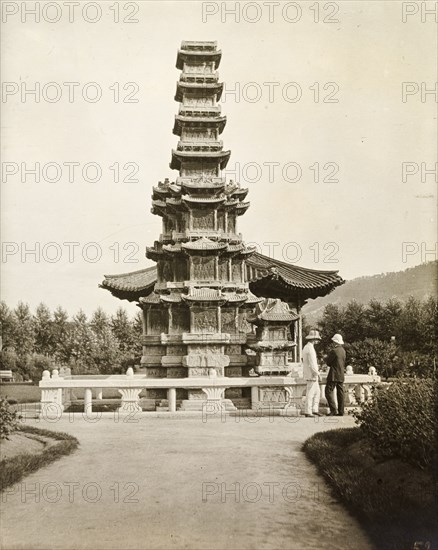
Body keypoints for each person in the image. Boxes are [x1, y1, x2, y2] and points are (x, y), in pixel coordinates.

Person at [302, 329, 322, 417]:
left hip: (310, 373)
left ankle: (314, 409)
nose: (318, 341)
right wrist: (317, 373)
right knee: (310, 393)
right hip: (312, 374)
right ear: (313, 339)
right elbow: (312, 363)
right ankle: (308, 411)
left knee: (317, 392)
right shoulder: (310, 349)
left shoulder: (307, 347)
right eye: (317, 339)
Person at [325, 333, 346, 416]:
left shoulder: (334, 351)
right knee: (340, 393)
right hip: (341, 374)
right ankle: (341, 411)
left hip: (334, 374)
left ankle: (333, 410)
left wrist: (326, 358)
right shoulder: (343, 351)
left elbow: (328, 362)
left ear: (335, 342)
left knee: (328, 391)